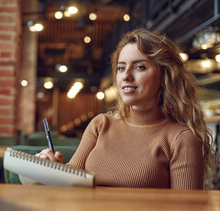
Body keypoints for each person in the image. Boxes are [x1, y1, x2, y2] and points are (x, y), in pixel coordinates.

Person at [35, 28, 215, 189]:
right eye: (121, 68)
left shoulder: (180, 139)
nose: (126, 76)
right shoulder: (100, 124)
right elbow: (70, 179)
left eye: (139, 67)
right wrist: (48, 167)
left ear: (164, 75)